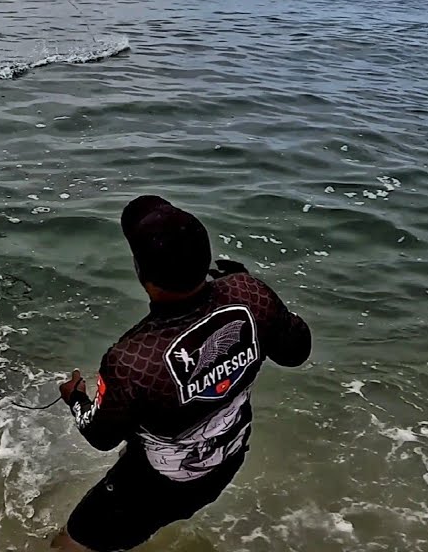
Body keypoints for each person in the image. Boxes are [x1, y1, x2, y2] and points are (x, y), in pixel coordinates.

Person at [50, 195, 312, 552]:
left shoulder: (133, 359)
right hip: (226, 460)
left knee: (69, 545)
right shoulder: (251, 294)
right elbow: (297, 351)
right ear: (206, 258)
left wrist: (76, 397)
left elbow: (101, 434)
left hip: (158, 486)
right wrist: (245, 286)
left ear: (142, 274)